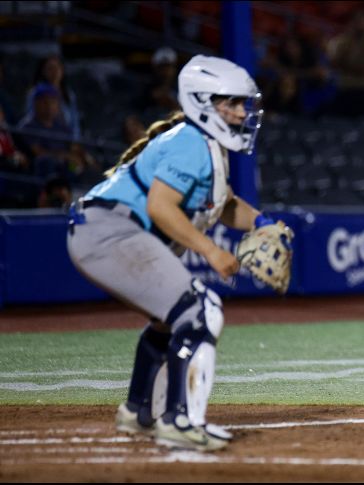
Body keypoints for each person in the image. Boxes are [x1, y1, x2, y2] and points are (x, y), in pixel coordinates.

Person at [66, 55, 273, 451]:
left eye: (244, 103)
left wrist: (263, 223)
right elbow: (161, 206)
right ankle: (180, 419)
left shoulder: (202, 143)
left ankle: (139, 410)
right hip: (110, 231)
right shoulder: (191, 141)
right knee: (202, 311)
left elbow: (223, 204)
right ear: (203, 103)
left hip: (101, 228)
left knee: (171, 320)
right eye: (233, 102)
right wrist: (211, 251)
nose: (243, 112)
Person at [326, 9, 364, 116]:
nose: (359, 24)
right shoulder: (341, 41)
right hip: (343, 90)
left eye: (362, 21)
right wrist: (353, 65)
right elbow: (333, 64)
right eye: (356, 20)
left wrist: (344, 65)